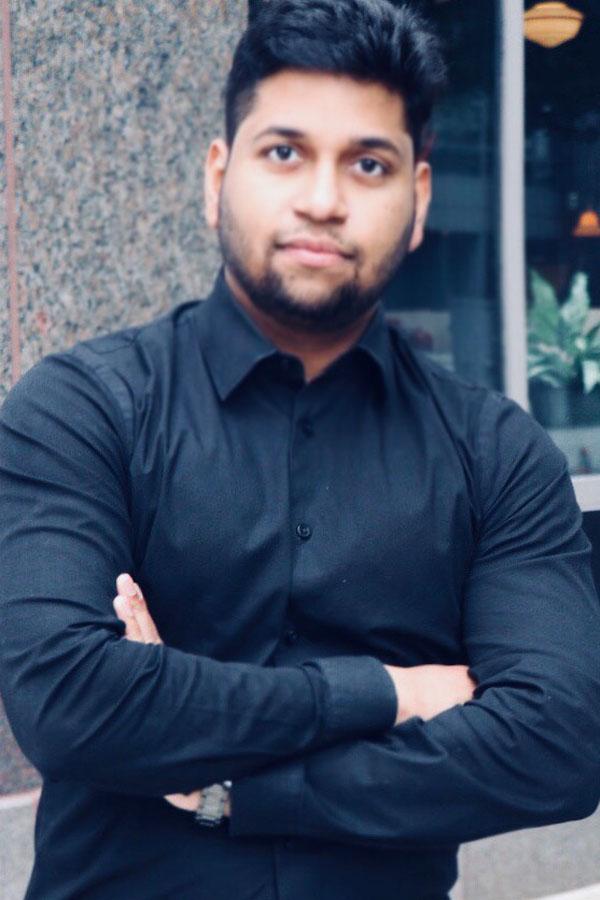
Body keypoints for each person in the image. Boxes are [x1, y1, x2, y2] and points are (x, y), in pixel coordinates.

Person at [0, 1, 599, 898]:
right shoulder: (85, 409)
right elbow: (68, 699)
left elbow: (559, 744)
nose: (323, 199)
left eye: (369, 163)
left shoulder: (496, 451)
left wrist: (233, 788)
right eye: (285, 152)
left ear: (420, 198)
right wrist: (389, 693)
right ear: (217, 177)